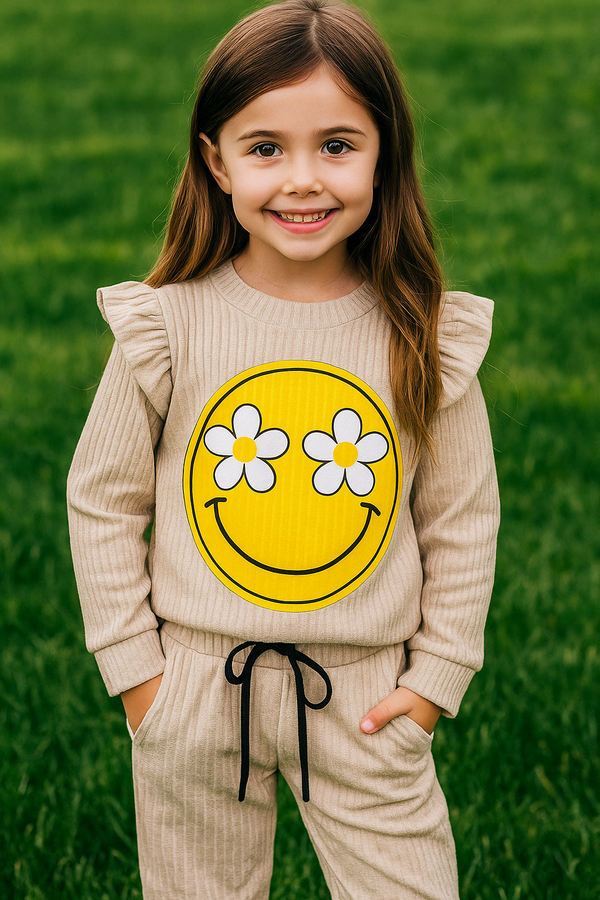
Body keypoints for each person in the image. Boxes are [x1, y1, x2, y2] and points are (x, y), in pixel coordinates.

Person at [67, 1, 500, 897]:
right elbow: (104, 500)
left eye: (338, 145)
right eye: (266, 148)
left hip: (368, 698)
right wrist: (139, 677)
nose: (303, 179)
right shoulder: (168, 326)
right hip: (193, 691)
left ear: (385, 156)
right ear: (214, 160)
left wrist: (432, 682)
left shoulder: (419, 336)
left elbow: (462, 520)